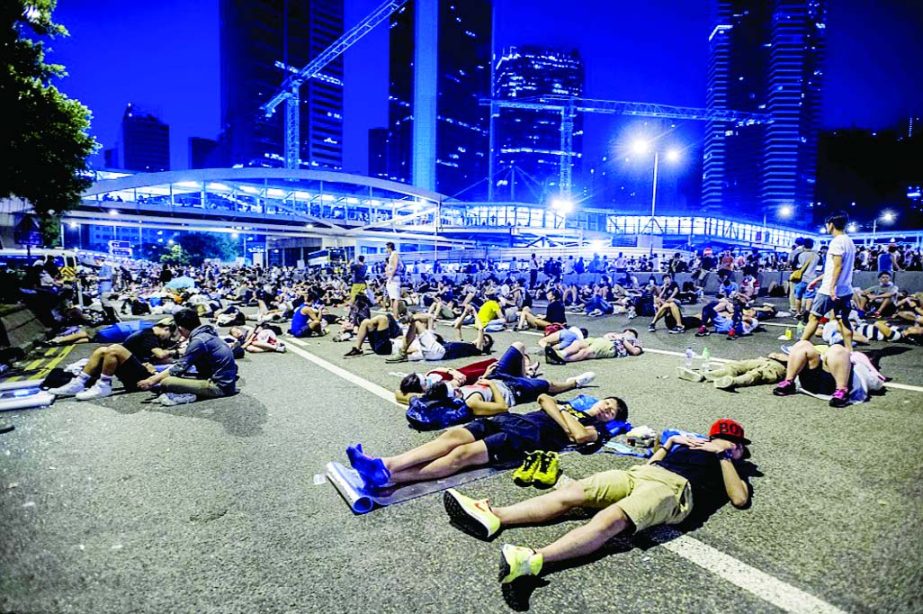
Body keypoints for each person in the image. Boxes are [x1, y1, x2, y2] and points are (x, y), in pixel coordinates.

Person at [441, 418, 750, 585]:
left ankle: (534, 560)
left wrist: (724, 456)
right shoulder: (692, 444)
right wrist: (668, 445)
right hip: (642, 472)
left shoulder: (732, 466)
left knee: (610, 520)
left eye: (734, 444)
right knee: (571, 495)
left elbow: (739, 499)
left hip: (672, 489)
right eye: (721, 439)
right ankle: (494, 515)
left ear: (738, 448)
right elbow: (654, 463)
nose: (727, 445)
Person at [344, 393, 627, 489]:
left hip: (527, 436)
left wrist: (564, 417)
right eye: (608, 402)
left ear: (611, 419)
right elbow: (544, 399)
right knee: (452, 436)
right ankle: (385, 464)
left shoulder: (596, 430)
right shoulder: (570, 406)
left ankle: (390, 477)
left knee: (462, 455)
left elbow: (579, 436)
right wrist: (564, 414)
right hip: (511, 420)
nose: (606, 408)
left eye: (612, 411)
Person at [49, 319, 179, 400]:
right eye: (170, 335)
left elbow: (161, 358)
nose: (168, 339)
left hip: (143, 377)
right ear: (166, 329)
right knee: (105, 350)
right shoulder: (149, 336)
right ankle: (80, 384)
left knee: (112, 349)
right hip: (140, 374)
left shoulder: (146, 332)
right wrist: (176, 351)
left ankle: (99, 385)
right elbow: (161, 355)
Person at [136, 308, 239, 406]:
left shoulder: (198, 341)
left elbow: (179, 367)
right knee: (176, 376)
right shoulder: (208, 334)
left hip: (219, 387)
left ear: (180, 328)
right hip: (226, 381)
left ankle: (188, 394)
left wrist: (152, 380)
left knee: (166, 382)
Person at [800, 212, 856, 352]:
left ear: (831, 224)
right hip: (846, 289)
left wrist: (831, 288)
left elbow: (838, 266)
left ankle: (800, 347)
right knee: (843, 320)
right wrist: (817, 279)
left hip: (830, 290)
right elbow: (834, 269)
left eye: (827, 224)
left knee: (814, 317)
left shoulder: (837, 242)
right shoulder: (849, 241)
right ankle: (849, 351)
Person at [772, 339, 855, 407]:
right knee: (803, 343)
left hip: (834, 382)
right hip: (811, 381)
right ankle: (789, 382)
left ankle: (842, 391)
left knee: (837, 350)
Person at [677, 353, 787, 390]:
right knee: (736, 365)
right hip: (769, 359)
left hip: (784, 365)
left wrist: (787, 358)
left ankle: (733, 382)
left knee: (759, 373)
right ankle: (703, 375)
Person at [546, 329, 642, 363]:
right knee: (578, 343)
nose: (626, 333)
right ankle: (561, 354)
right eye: (625, 332)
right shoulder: (618, 334)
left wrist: (623, 339)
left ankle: (560, 358)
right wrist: (611, 335)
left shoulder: (634, 340)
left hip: (612, 346)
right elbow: (606, 336)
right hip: (601, 340)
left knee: (586, 352)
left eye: (629, 332)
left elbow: (635, 351)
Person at [385, 242, 403, 320]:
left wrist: (391, 276)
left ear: (389, 248)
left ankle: (395, 316)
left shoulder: (394, 254)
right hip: (392, 278)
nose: (386, 250)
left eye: (386, 248)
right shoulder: (392, 255)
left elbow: (395, 266)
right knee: (392, 298)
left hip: (394, 278)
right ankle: (395, 315)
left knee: (395, 298)